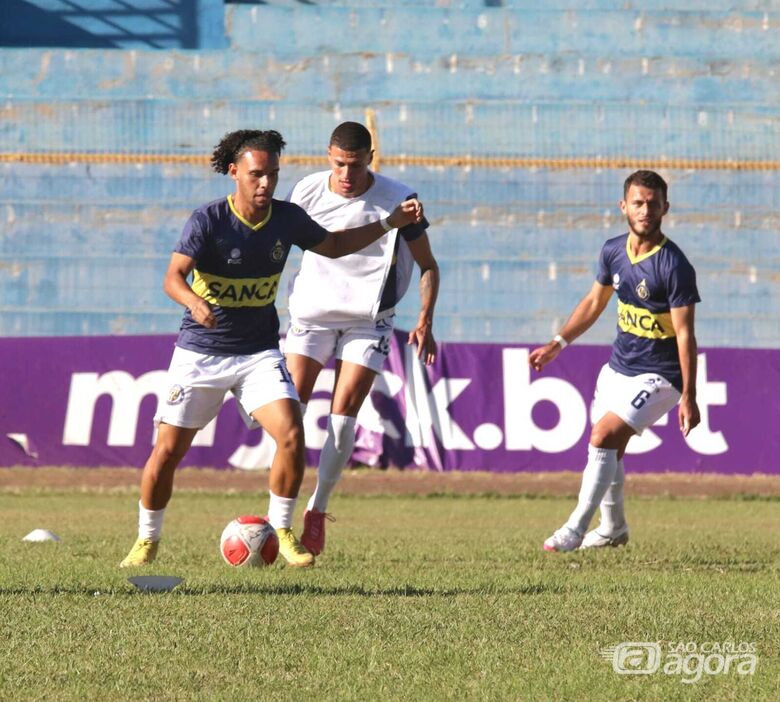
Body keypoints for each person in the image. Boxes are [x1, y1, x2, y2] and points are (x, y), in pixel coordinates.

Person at [120, 129, 423, 569]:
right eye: (257, 175)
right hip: (201, 353)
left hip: (259, 353)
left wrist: (387, 224)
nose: (266, 184)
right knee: (167, 452)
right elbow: (173, 277)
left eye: (273, 175)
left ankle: (282, 529)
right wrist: (193, 301)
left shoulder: (286, 218)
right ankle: (147, 540)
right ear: (234, 173)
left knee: (292, 432)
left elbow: (335, 246)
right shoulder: (207, 220)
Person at [283, 121, 440, 556]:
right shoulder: (306, 192)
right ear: (327, 156)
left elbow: (429, 265)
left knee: (344, 410)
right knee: (286, 408)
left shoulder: (400, 198)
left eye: (355, 164)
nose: (346, 174)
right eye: (338, 164)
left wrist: (425, 319)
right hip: (312, 315)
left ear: (371, 158)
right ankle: (279, 516)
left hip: (368, 319)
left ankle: (316, 510)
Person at [529, 170, 701, 552]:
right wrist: (558, 342)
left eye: (653, 204)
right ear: (624, 206)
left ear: (665, 208)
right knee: (611, 450)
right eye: (638, 203)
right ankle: (613, 528)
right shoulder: (612, 251)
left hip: (660, 377)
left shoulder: (674, 266)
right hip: (618, 369)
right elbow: (594, 303)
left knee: (601, 436)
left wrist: (689, 395)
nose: (645, 210)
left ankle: (574, 528)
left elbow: (686, 335)